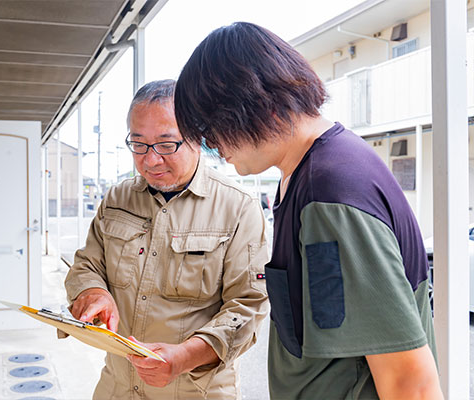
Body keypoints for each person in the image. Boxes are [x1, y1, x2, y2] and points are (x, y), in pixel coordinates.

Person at [174, 22, 443, 399]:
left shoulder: (329, 191)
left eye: (209, 129)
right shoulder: (307, 175)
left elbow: (410, 384)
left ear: (248, 105)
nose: (210, 144)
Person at [64, 79, 269, 399]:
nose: (150, 159)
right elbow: (88, 262)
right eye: (139, 143)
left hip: (194, 391)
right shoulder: (118, 198)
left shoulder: (237, 208)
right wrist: (92, 292)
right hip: (117, 388)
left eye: (165, 144)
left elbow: (248, 307)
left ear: (198, 137)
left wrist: (184, 357)